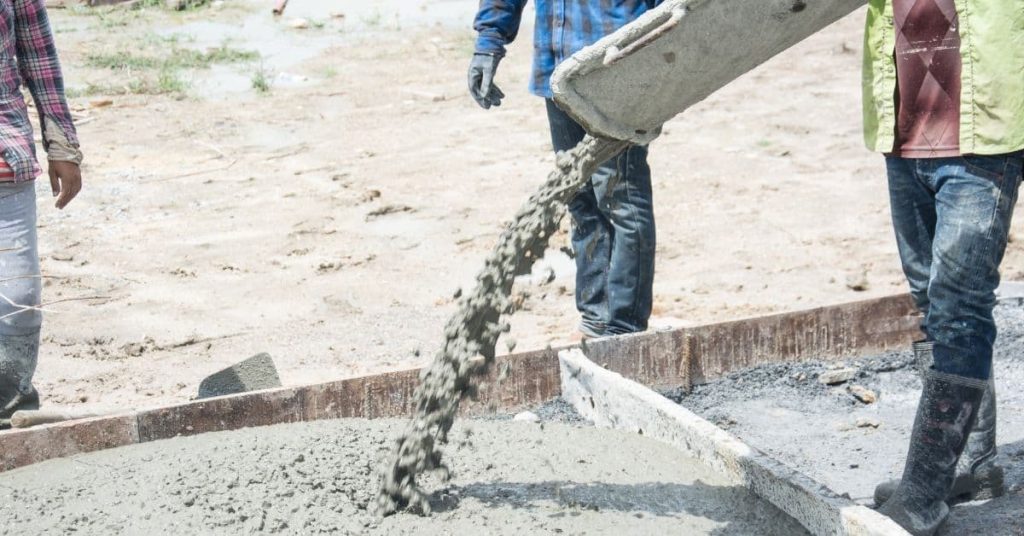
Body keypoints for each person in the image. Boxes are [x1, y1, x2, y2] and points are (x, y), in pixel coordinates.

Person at [862, 1, 1023, 534]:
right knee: (932, 302)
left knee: (959, 307)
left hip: (985, 137)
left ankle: (926, 489)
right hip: (904, 129)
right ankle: (972, 465)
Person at [468, 0, 661, 339]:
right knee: (579, 198)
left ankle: (623, 329)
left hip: (617, 68)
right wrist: (488, 43)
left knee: (622, 199)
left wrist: (662, 59)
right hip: (558, 70)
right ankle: (595, 319)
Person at [0, 0, 83, 428]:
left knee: (19, 299)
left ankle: (10, 403)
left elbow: (39, 57)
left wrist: (62, 144)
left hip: (5, 158)